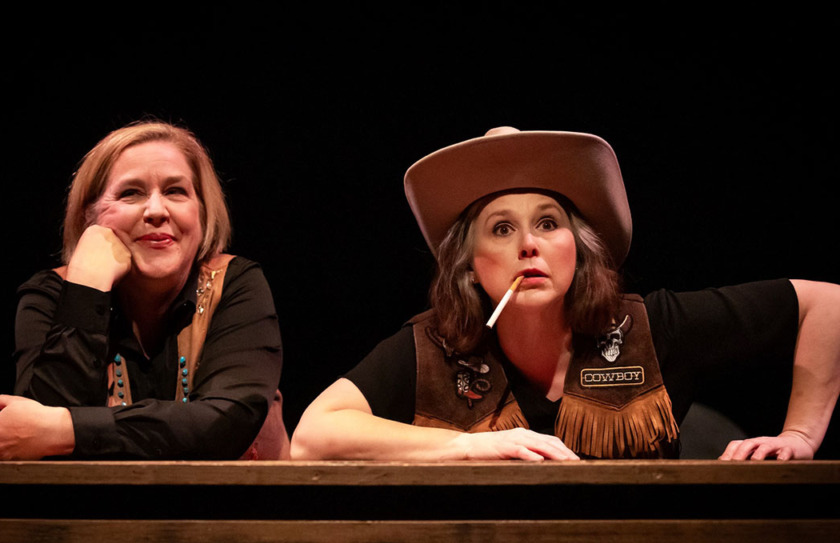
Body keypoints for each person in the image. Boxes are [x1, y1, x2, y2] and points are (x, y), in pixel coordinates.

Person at [291, 127, 840, 461]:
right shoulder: (432, 349)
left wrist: (800, 434)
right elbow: (313, 436)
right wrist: (463, 446)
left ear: (578, 248)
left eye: (549, 223)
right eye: (501, 229)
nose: (529, 244)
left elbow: (827, 303)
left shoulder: (655, 326)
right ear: (469, 264)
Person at [0, 122, 285, 460]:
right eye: (130, 193)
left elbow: (226, 421)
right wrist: (85, 288)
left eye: (175, 191)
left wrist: (68, 430)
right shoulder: (50, 294)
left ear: (202, 211)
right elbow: (35, 441)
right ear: (89, 217)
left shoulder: (236, 284)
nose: (156, 211)